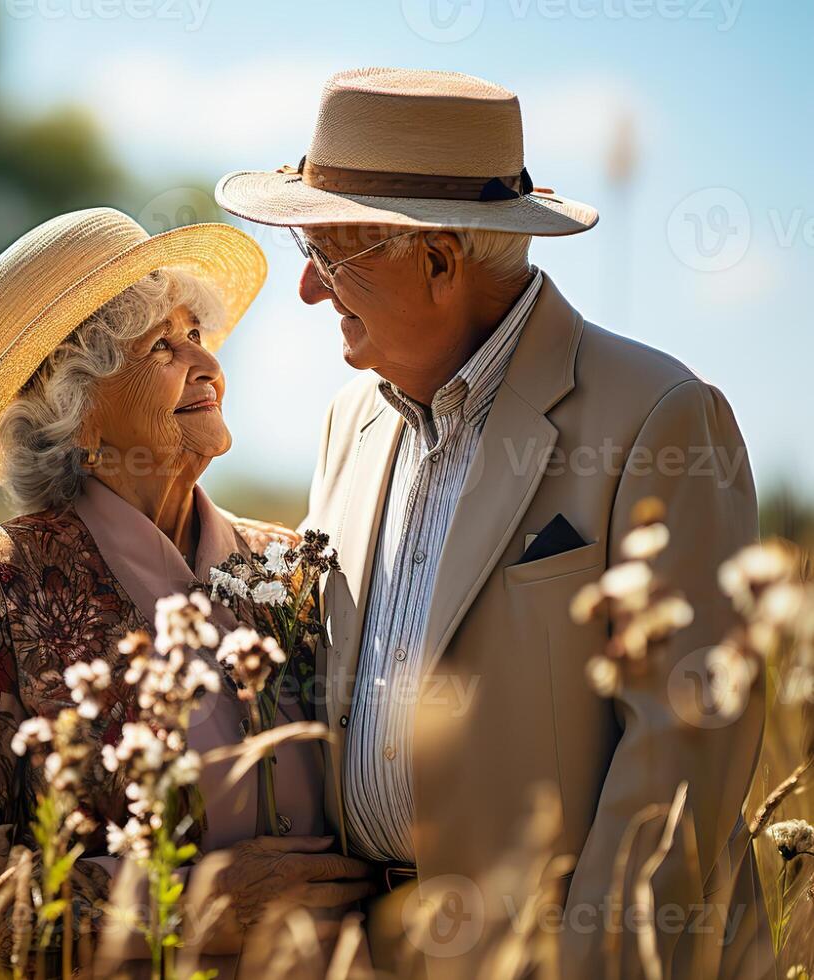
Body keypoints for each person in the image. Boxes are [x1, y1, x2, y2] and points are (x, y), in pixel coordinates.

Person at [217, 68, 773, 979]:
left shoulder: (659, 414)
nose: (310, 291)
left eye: (331, 256)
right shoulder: (346, 422)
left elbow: (681, 762)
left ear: (438, 261)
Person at [0, 208, 371, 975]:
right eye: (160, 346)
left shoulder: (288, 569)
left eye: (198, 336)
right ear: (76, 412)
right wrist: (190, 908)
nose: (204, 364)